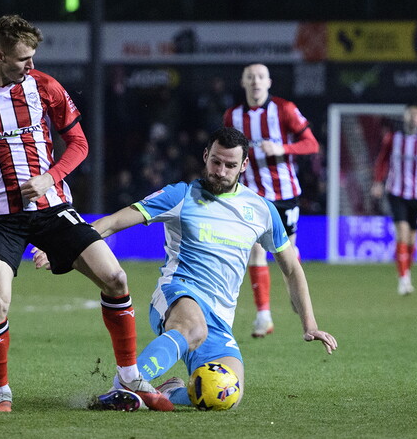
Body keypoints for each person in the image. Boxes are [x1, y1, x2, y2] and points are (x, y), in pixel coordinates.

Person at [0, 14, 164, 413]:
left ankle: (130, 375)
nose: (31, 66)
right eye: (23, 59)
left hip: (52, 209)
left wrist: (51, 178)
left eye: (34, 57)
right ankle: (1, 394)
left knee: (116, 278)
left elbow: (79, 144)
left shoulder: (44, 87)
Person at [33, 127, 337, 411]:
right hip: (177, 294)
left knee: (229, 393)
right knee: (193, 328)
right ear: (205, 156)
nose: (221, 171)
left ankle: (169, 391)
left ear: (243, 166)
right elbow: (113, 222)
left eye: (230, 166)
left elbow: (292, 268)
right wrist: (64, 245)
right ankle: (126, 384)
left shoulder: (261, 210)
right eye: (216, 162)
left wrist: (309, 324)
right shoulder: (179, 196)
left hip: (219, 317)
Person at [223, 63, 320, 338]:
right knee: (255, 250)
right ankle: (263, 315)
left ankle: (294, 289)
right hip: (251, 195)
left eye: (260, 77)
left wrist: (282, 147)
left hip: (285, 193)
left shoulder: (284, 109)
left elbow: (311, 144)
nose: (255, 81)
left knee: (287, 252)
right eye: (250, 77)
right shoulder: (232, 116)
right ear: (243, 83)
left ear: (269, 82)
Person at [370, 103, 417, 295]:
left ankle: (406, 272)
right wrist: (378, 182)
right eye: (410, 114)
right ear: (405, 117)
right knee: (402, 232)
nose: (413, 118)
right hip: (396, 194)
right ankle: (403, 280)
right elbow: (382, 160)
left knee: (412, 239)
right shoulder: (392, 138)